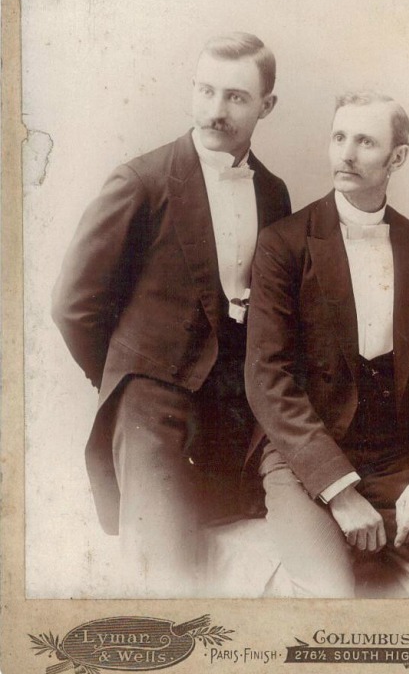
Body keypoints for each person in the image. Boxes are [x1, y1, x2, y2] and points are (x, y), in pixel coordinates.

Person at [52, 32, 291, 597]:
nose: (215, 110)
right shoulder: (142, 181)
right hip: (151, 409)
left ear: (266, 106)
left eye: (236, 97)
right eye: (205, 90)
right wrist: (127, 380)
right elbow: (73, 305)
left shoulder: (273, 193)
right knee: (164, 577)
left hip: (230, 412)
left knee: (238, 566)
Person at [245, 91, 409, 598]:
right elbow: (268, 379)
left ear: (397, 157)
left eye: (365, 142)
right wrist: (340, 493)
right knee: (328, 598)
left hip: (394, 461)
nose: (345, 154)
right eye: (339, 137)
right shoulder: (283, 243)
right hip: (303, 461)